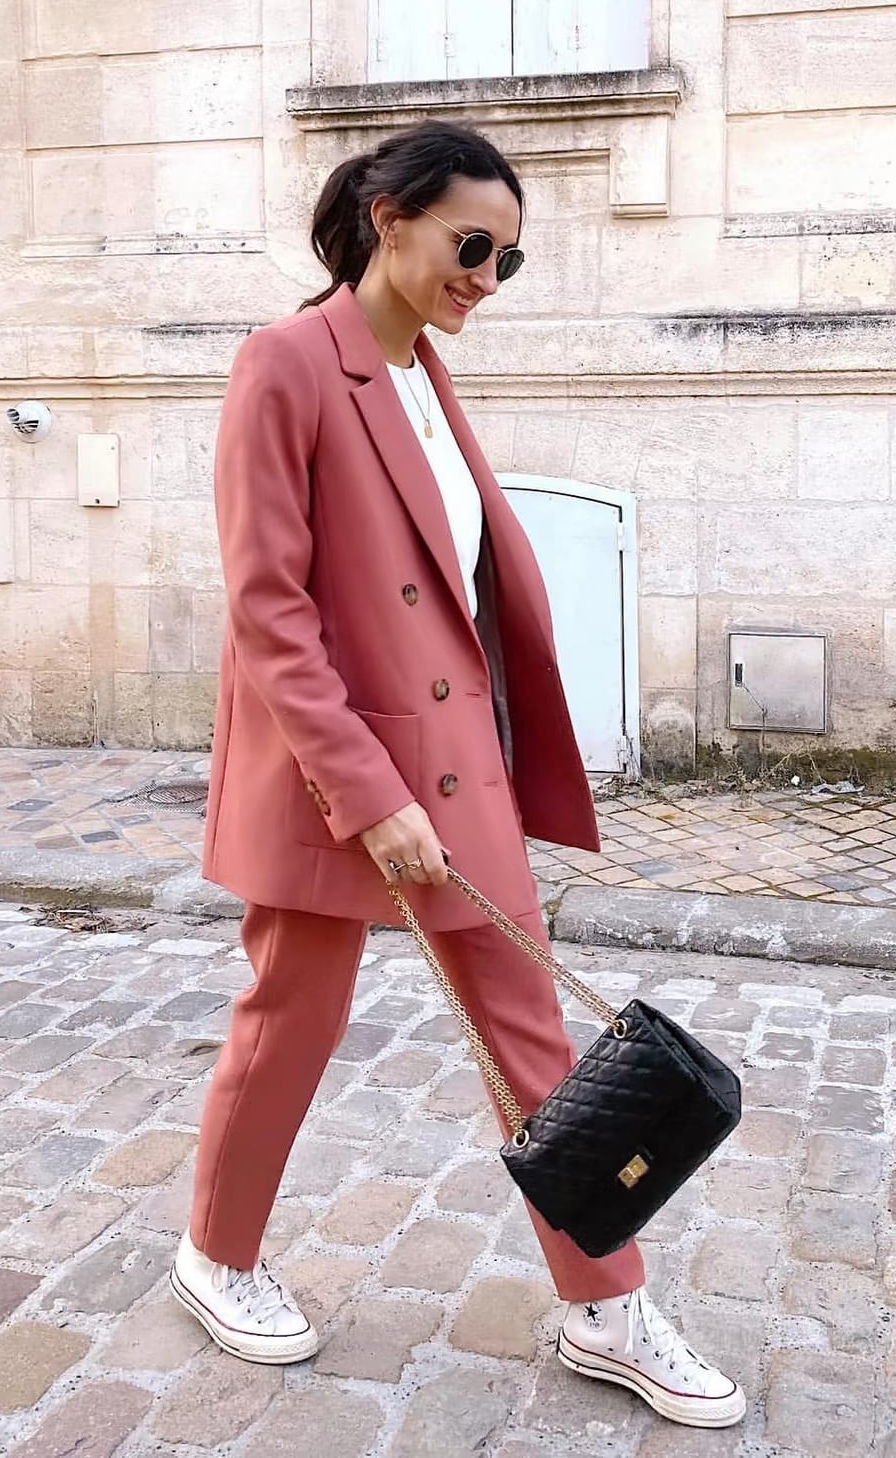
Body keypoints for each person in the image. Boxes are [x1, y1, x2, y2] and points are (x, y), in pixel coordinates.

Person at [168, 120, 745, 1430]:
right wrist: (370, 794)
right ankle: (216, 1253)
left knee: (533, 1029)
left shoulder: (424, 370)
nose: (486, 276)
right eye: (471, 245)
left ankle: (605, 1304)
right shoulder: (286, 365)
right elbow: (270, 610)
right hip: (339, 777)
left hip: (458, 765)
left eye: (508, 260)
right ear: (389, 217)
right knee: (291, 1021)